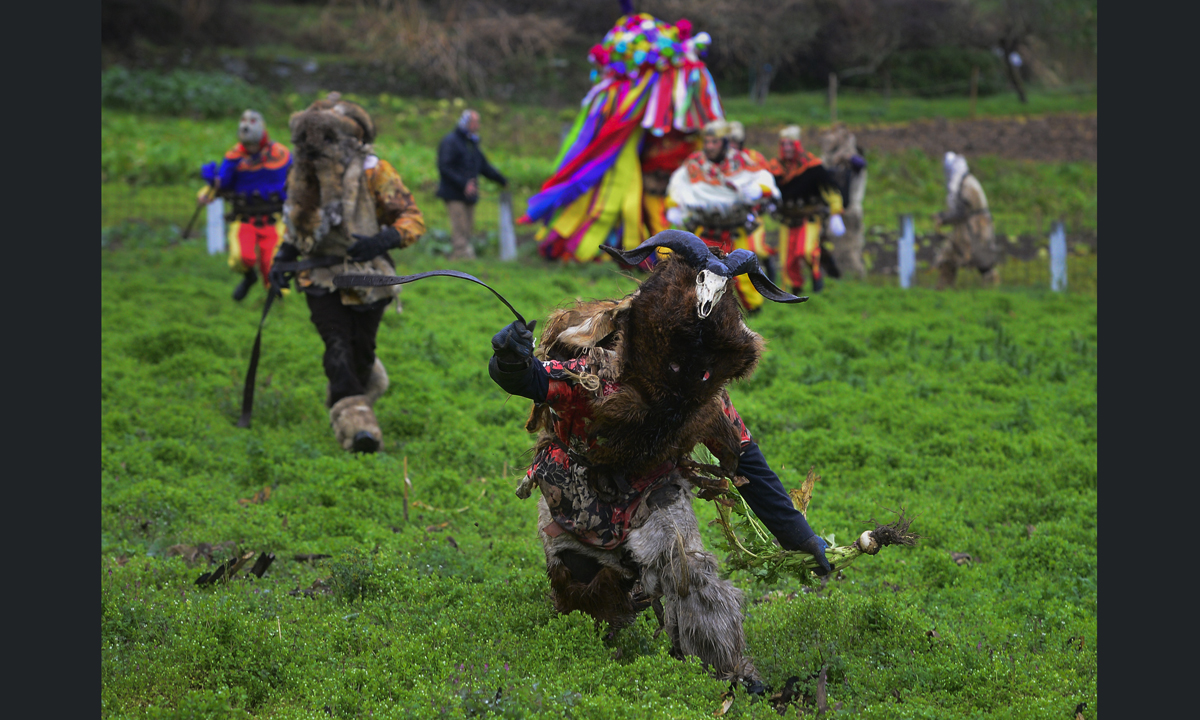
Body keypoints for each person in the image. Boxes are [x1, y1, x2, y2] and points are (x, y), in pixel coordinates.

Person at [488, 230, 831, 692]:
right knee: (585, 596)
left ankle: (729, 671)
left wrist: (802, 538)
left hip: (654, 488)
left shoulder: (703, 397)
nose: (693, 377)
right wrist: (510, 360)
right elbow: (537, 380)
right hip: (575, 487)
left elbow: (746, 462)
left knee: (689, 568)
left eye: (706, 368)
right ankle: (621, 589)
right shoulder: (603, 370)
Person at [268, 94, 426, 453]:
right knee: (336, 346)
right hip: (319, 277)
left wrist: (381, 239)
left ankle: (357, 394)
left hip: (370, 279)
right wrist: (282, 259)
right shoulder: (305, 173)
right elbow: (297, 225)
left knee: (360, 351)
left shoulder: (375, 171)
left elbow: (412, 219)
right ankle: (359, 434)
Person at [666, 120, 780, 313]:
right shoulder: (694, 163)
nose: (709, 146)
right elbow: (678, 184)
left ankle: (755, 312)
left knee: (741, 275)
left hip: (735, 228)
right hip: (705, 227)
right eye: (707, 141)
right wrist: (674, 204)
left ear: (725, 142)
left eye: (715, 142)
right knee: (697, 270)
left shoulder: (743, 162)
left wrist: (757, 190)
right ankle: (698, 310)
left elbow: (766, 182)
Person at [199, 110, 292, 301]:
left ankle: (275, 295)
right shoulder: (234, 157)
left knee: (272, 260)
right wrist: (206, 193)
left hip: (274, 219)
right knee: (242, 257)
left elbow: (295, 180)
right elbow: (222, 183)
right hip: (244, 219)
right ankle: (249, 276)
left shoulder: (281, 155)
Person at [765, 125, 846, 294]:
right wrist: (768, 201)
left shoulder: (812, 166)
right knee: (787, 260)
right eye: (783, 145)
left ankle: (817, 276)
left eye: (790, 145)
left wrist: (835, 213)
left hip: (808, 217)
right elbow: (768, 188)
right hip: (786, 219)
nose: (786, 149)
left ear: (797, 145)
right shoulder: (775, 167)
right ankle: (795, 291)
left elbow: (830, 190)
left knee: (806, 251)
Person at [436, 109, 508, 260]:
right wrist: (463, 184)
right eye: (475, 122)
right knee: (459, 228)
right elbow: (444, 167)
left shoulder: (472, 143)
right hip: (454, 193)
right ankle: (463, 260)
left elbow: (483, 166)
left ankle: (460, 259)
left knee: (468, 229)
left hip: (469, 194)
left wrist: (502, 180)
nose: (478, 125)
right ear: (466, 122)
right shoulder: (451, 141)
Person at [933, 152, 999, 290]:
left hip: (975, 229)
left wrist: (943, 219)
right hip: (967, 229)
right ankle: (943, 290)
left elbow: (961, 212)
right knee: (948, 257)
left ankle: (992, 291)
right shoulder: (965, 182)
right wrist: (943, 216)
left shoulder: (967, 184)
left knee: (982, 261)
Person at [818, 124, 868, 280]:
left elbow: (860, 163)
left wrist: (844, 155)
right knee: (821, 247)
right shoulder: (826, 160)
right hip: (828, 212)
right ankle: (833, 278)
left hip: (849, 210)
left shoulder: (853, 160)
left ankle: (856, 279)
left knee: (849, 250)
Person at [727, 120, 775, 276]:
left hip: (753, 212)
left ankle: (768, 264)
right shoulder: (721, 161)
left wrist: (767, 197)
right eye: (729, 141)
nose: (732, 144)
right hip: (729, 215)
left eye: (735, 141)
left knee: (757, 248)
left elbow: (766, 180)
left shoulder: (753, 157)